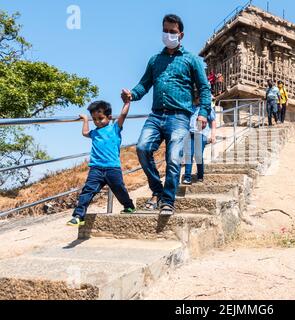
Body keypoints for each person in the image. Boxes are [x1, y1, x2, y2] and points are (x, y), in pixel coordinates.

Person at [121, 14, 211, 216]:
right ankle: (157, 191)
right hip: (155, 116)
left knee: (172, 157)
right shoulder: (155, 60)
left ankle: (168, 201)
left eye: (172, 31)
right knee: (142, 148)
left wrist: (203, 113)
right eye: (165, 31)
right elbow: (144, 85)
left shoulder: (191, 60)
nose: (168, 34)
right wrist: (131, 95)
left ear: (181, 34)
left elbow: (204, 88)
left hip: (179, 116)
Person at [67, 100, 136, 227]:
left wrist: (127, 102)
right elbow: (85, 133)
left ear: (109, 117)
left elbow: (123, 115)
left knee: (119, 190)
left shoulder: (115, 128)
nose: (97, 121)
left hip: (112, 169)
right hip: (96, 168)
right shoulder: (94, 133)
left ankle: (129, 206)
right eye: (94, 119)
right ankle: (78, 216)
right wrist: (86, 120)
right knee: (87, 191)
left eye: (100, 118)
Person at [182, 93, 217, 185]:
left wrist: (213, 135)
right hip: (190, 133)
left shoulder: (207, 108)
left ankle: (200, 176)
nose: (197, 99)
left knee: (198, 155)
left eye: (198, 97)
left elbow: (213, 122)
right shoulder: (192, 108)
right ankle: (187, 177)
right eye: (196, 97)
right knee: (188, 155)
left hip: (201, 133)